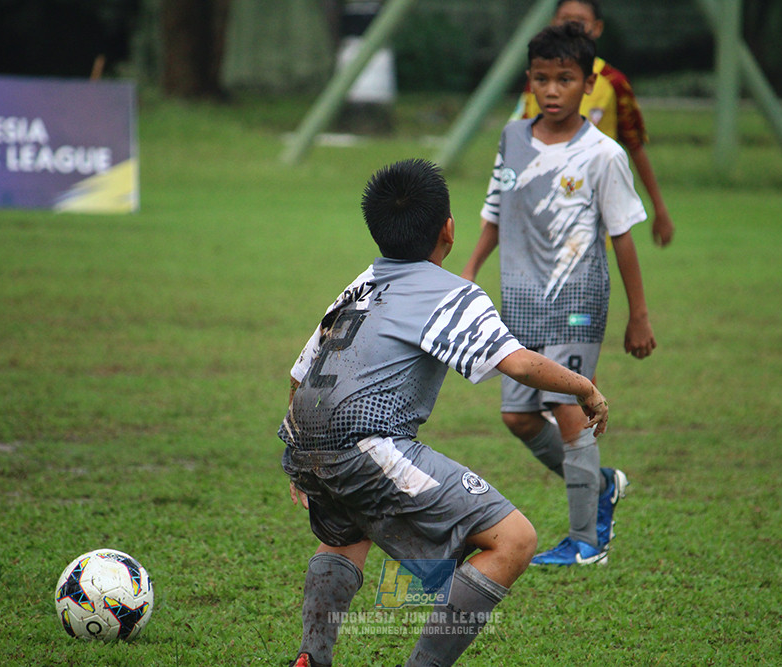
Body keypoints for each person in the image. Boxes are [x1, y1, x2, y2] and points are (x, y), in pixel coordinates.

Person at [279, 158, 610, 667]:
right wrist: (585, 388)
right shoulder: (450, 293)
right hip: (369, 445)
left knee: (345, 535)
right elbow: (518, 363)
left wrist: (307, 457)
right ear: (448, 230)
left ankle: (311, 658)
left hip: (305, 440)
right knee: (514, 540)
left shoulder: (359, 285)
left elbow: (301, 375)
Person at [461, 23, 655, 567]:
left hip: (578, 298)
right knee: (518, 417)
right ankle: (600, 484)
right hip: (520, 301)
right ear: (529, 80)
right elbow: (496, 210)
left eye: (564, 79)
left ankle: (586, 542)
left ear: (586, 82)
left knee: (565, 404)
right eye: (542, 79)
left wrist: (639, 314)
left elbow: (622, 237)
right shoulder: (512, 139)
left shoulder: (603, 155)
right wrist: (470, 266)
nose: (552, 90)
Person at [510, 0, 675, 248]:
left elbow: (635, 146)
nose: (551, 89)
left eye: (579, 22)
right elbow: (520, 144)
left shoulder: (613, 83)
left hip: (589, 209)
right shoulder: (537, 79)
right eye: (565, 20)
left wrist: (659, 209)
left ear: (597, 28)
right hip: (541, 207)